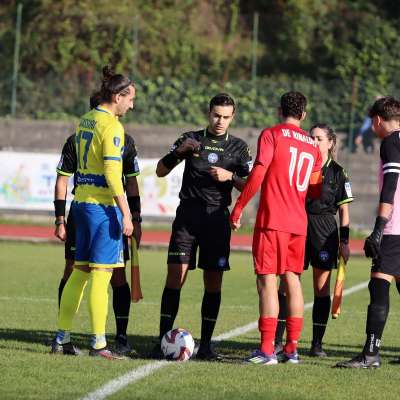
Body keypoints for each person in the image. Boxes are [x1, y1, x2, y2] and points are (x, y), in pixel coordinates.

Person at [152, 93, 252, 360]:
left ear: (233, 117)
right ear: (209, 114)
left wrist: (230, 176)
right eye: (216, 115)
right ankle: (162, 340)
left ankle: (206, 345)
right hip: (187, 217)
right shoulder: (191, 138)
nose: (220, 121)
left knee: (213, 282)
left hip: (216, 220)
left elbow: (253, 186)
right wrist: (179, 152)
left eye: (226, 117)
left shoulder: (239, 148)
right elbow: (160, 170)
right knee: (175, 277)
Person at [230, 91, 322, 365]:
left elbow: (259, 171)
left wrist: (239, 207)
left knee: (267, 280)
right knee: (292, 280)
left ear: (279, 110)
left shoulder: (272, 134)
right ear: (303, 115)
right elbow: (315, 188)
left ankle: (267, 350)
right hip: (298, 222)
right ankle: (291, 350)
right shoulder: (313, 145)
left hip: (273, 220)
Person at [51, 66, 135, 359]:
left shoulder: (85, 119)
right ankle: (99, 344)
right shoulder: (112, 126)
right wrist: (125, 213)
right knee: (102, 275)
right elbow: (113, 174)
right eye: (129, 98)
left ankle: (61, 338)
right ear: (116, 96)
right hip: (102, 209)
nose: (131, 105)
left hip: (81, 206)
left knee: (79, 271)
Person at [274, 124, 353, 357]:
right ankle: (278, 340)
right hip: (297, 225)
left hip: (324, 230)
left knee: (321, 289)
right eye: (312, 138)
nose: (314, 142)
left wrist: (345, 242)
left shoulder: (338, 172)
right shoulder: (300, 166)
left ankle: (317, 344)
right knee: (287, 284)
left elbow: (344, 213)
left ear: (330, 143)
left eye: (319, 139)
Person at [336, 96, 400, 368]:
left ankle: (371, 353)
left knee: (379, 285)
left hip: (395, 228)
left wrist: (378, 228)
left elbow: (390, 186)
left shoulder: (391, 142)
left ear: (376, 120)